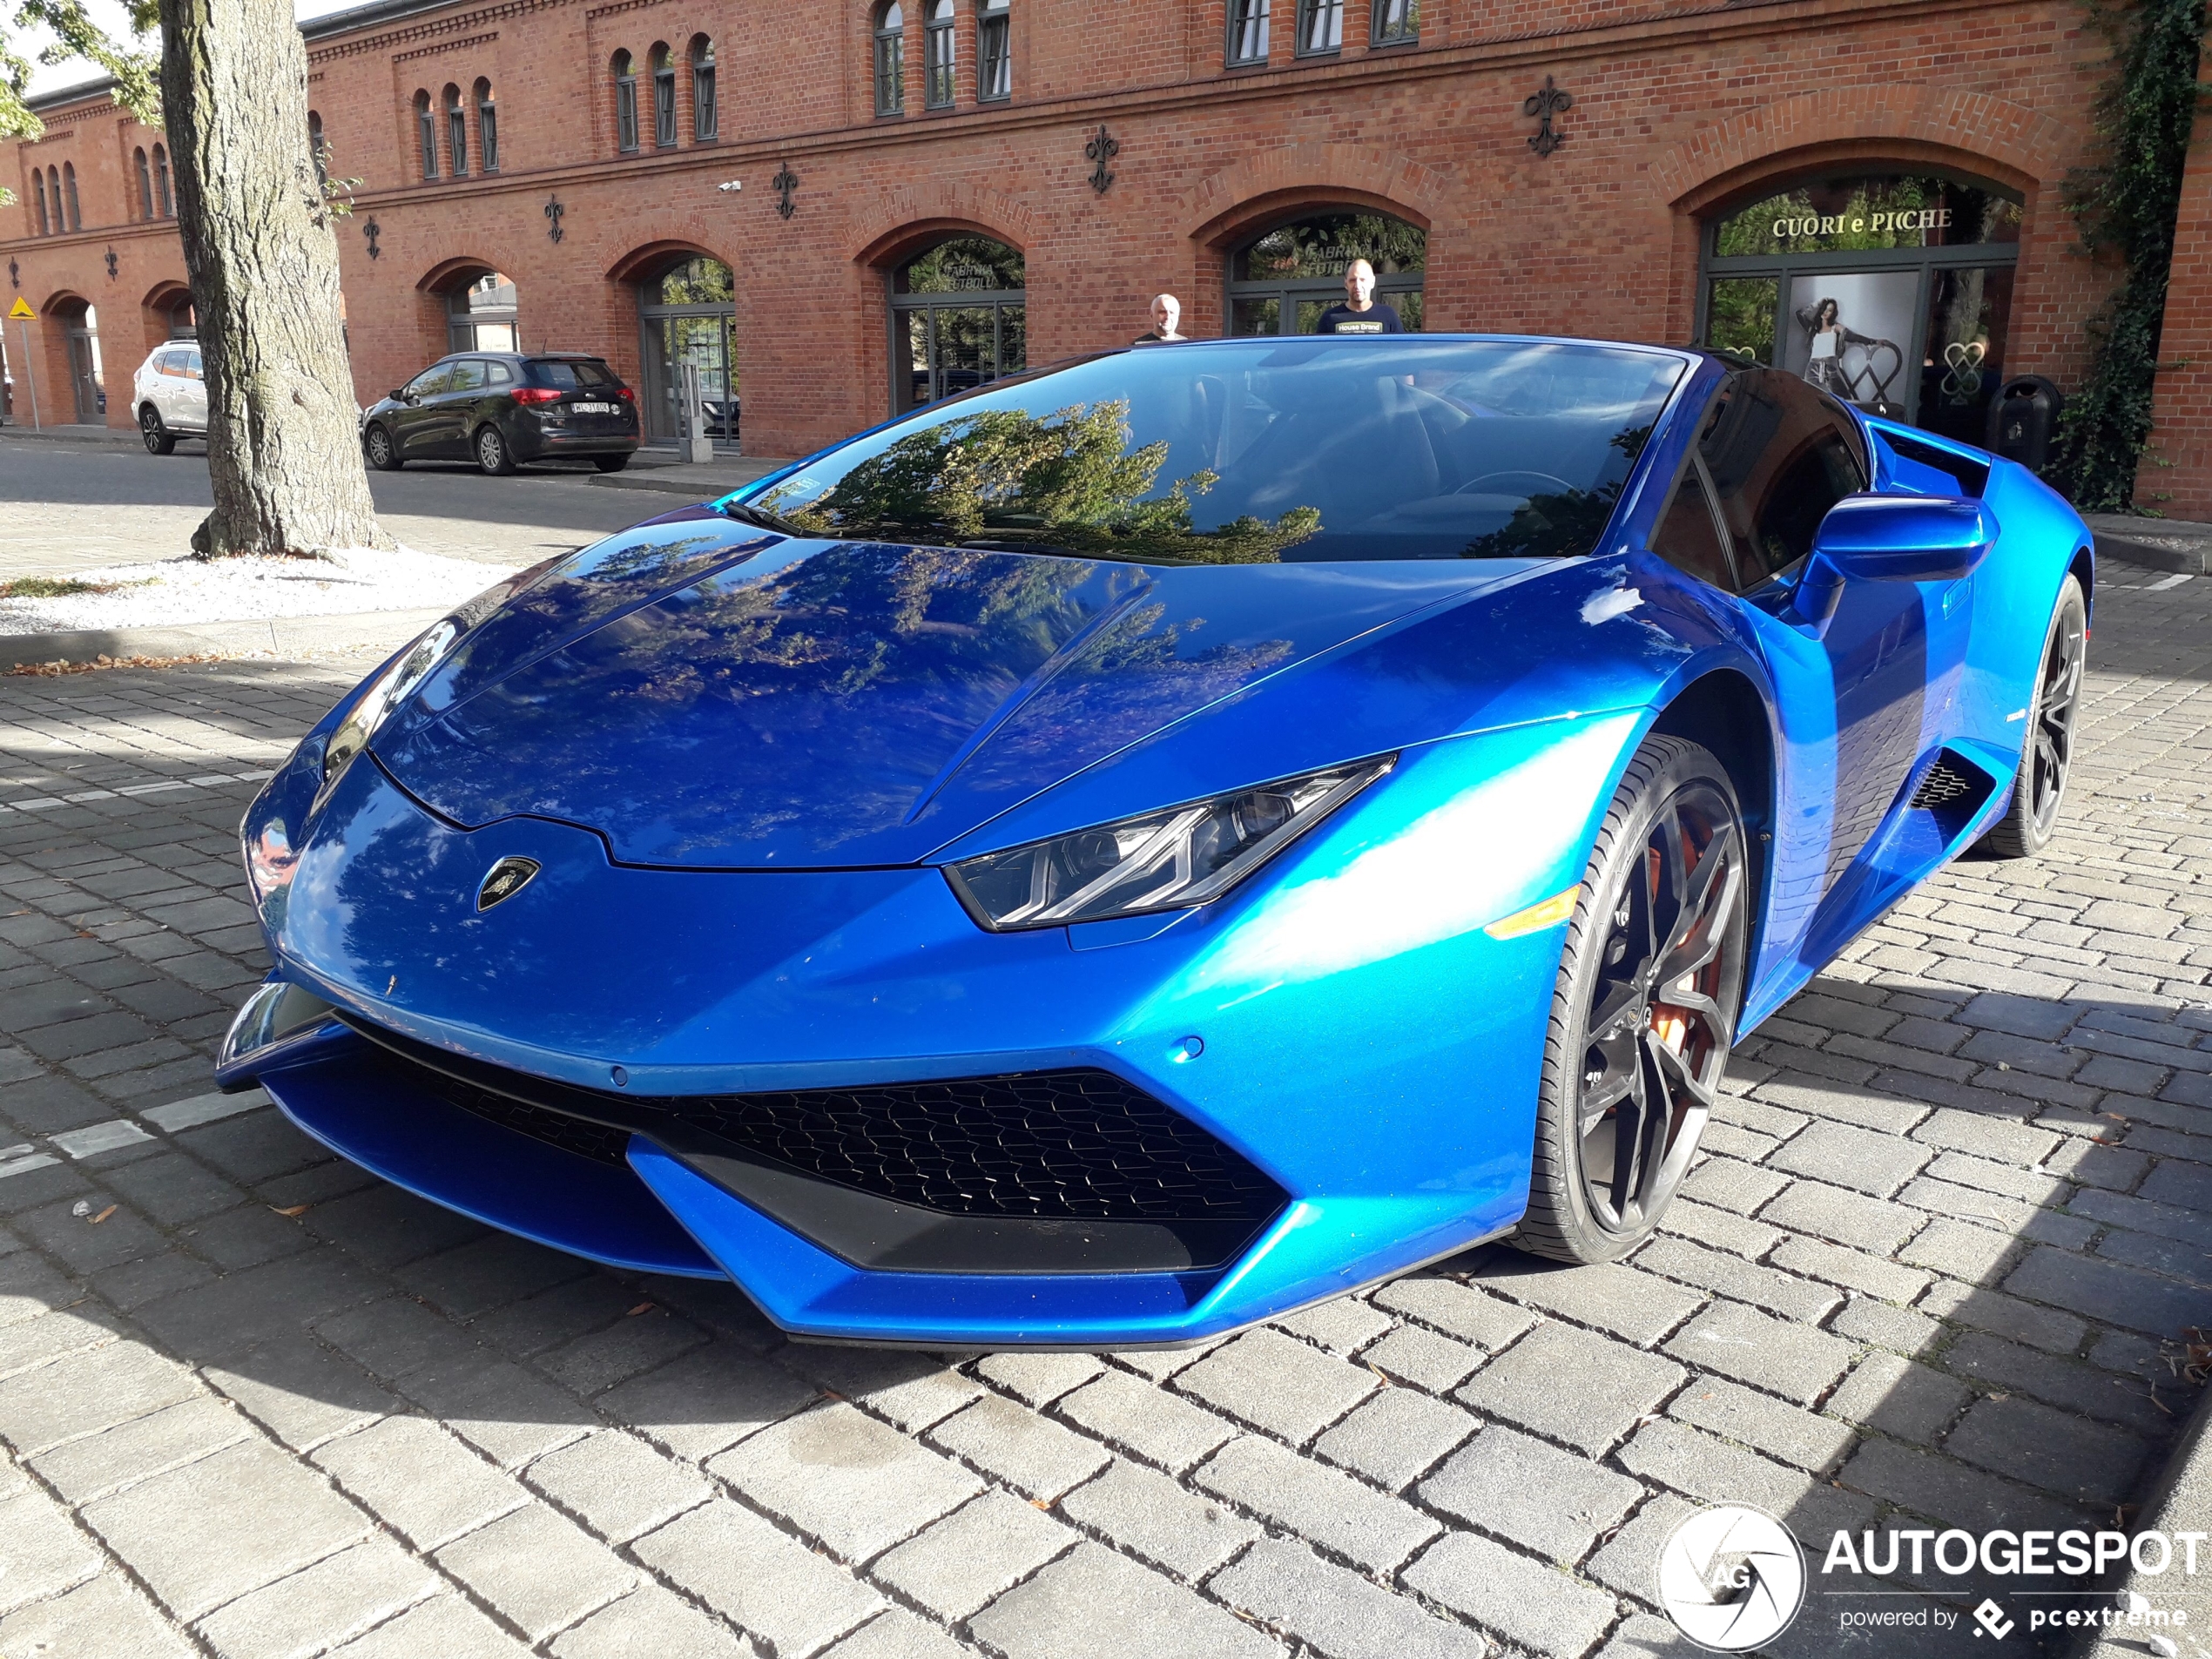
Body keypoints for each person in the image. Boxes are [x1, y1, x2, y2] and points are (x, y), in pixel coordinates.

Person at [1314, 260, 1403, 334]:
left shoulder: (1388, 315)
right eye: (1352, 280)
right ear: (1346, 284)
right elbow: (1319, 351)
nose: (1357, 285)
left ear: (1372, 282)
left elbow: (1400, 351)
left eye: (1363, 280)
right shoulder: (1330, 318)